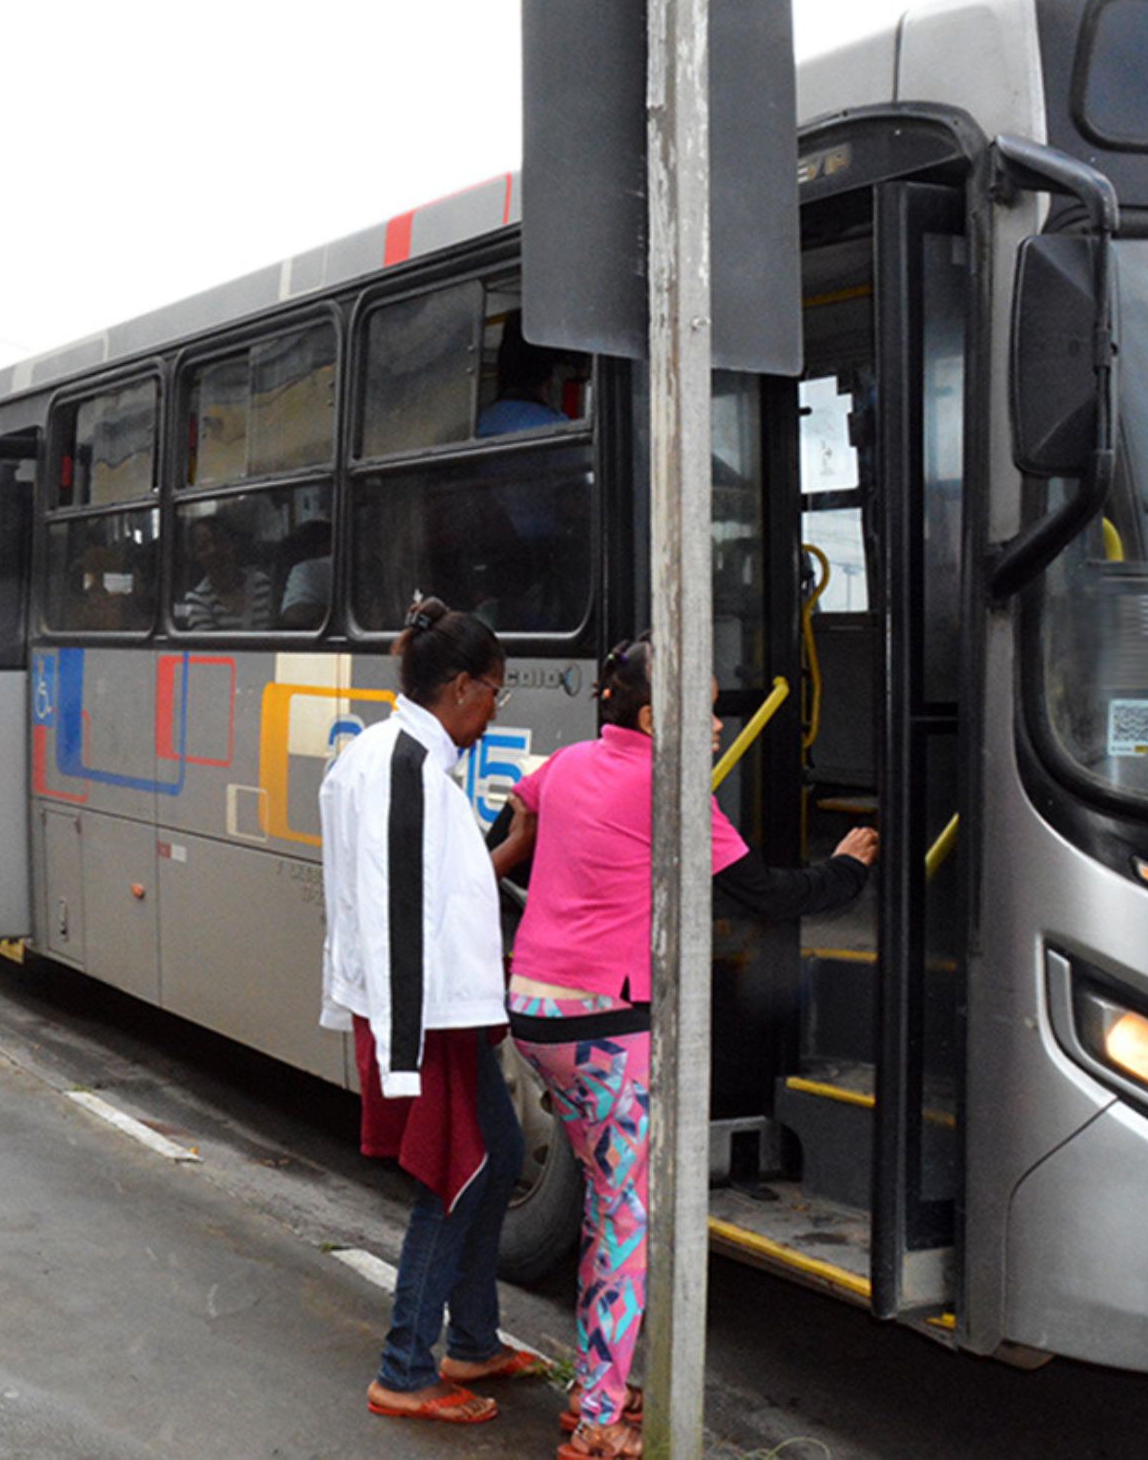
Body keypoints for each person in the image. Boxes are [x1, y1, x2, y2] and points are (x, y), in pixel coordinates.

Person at [504, 636, 876, 1458]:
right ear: (650, 717)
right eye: (702, 711)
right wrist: (847, 871)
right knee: (624, 1220)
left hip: (533, 1013)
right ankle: (598, 1420)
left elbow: (523, 811)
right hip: (606, 1028)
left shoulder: (567, 763)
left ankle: (596, 1388)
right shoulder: (667, 790)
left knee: (609, 1202)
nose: (715, 727)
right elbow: (766, 892)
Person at [320, 596, 543, 1427]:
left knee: (499, 1151)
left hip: (438, 1012)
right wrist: (405, 1054)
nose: (495, 708)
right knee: (455, 1175)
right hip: (423, 1017)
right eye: (495, 691)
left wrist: (508, 847)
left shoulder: (400, 756)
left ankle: (473, 1340)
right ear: (458, 688)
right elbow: (397, 922)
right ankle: (406, 1368)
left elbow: (431, 890)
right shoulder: (407, 770)